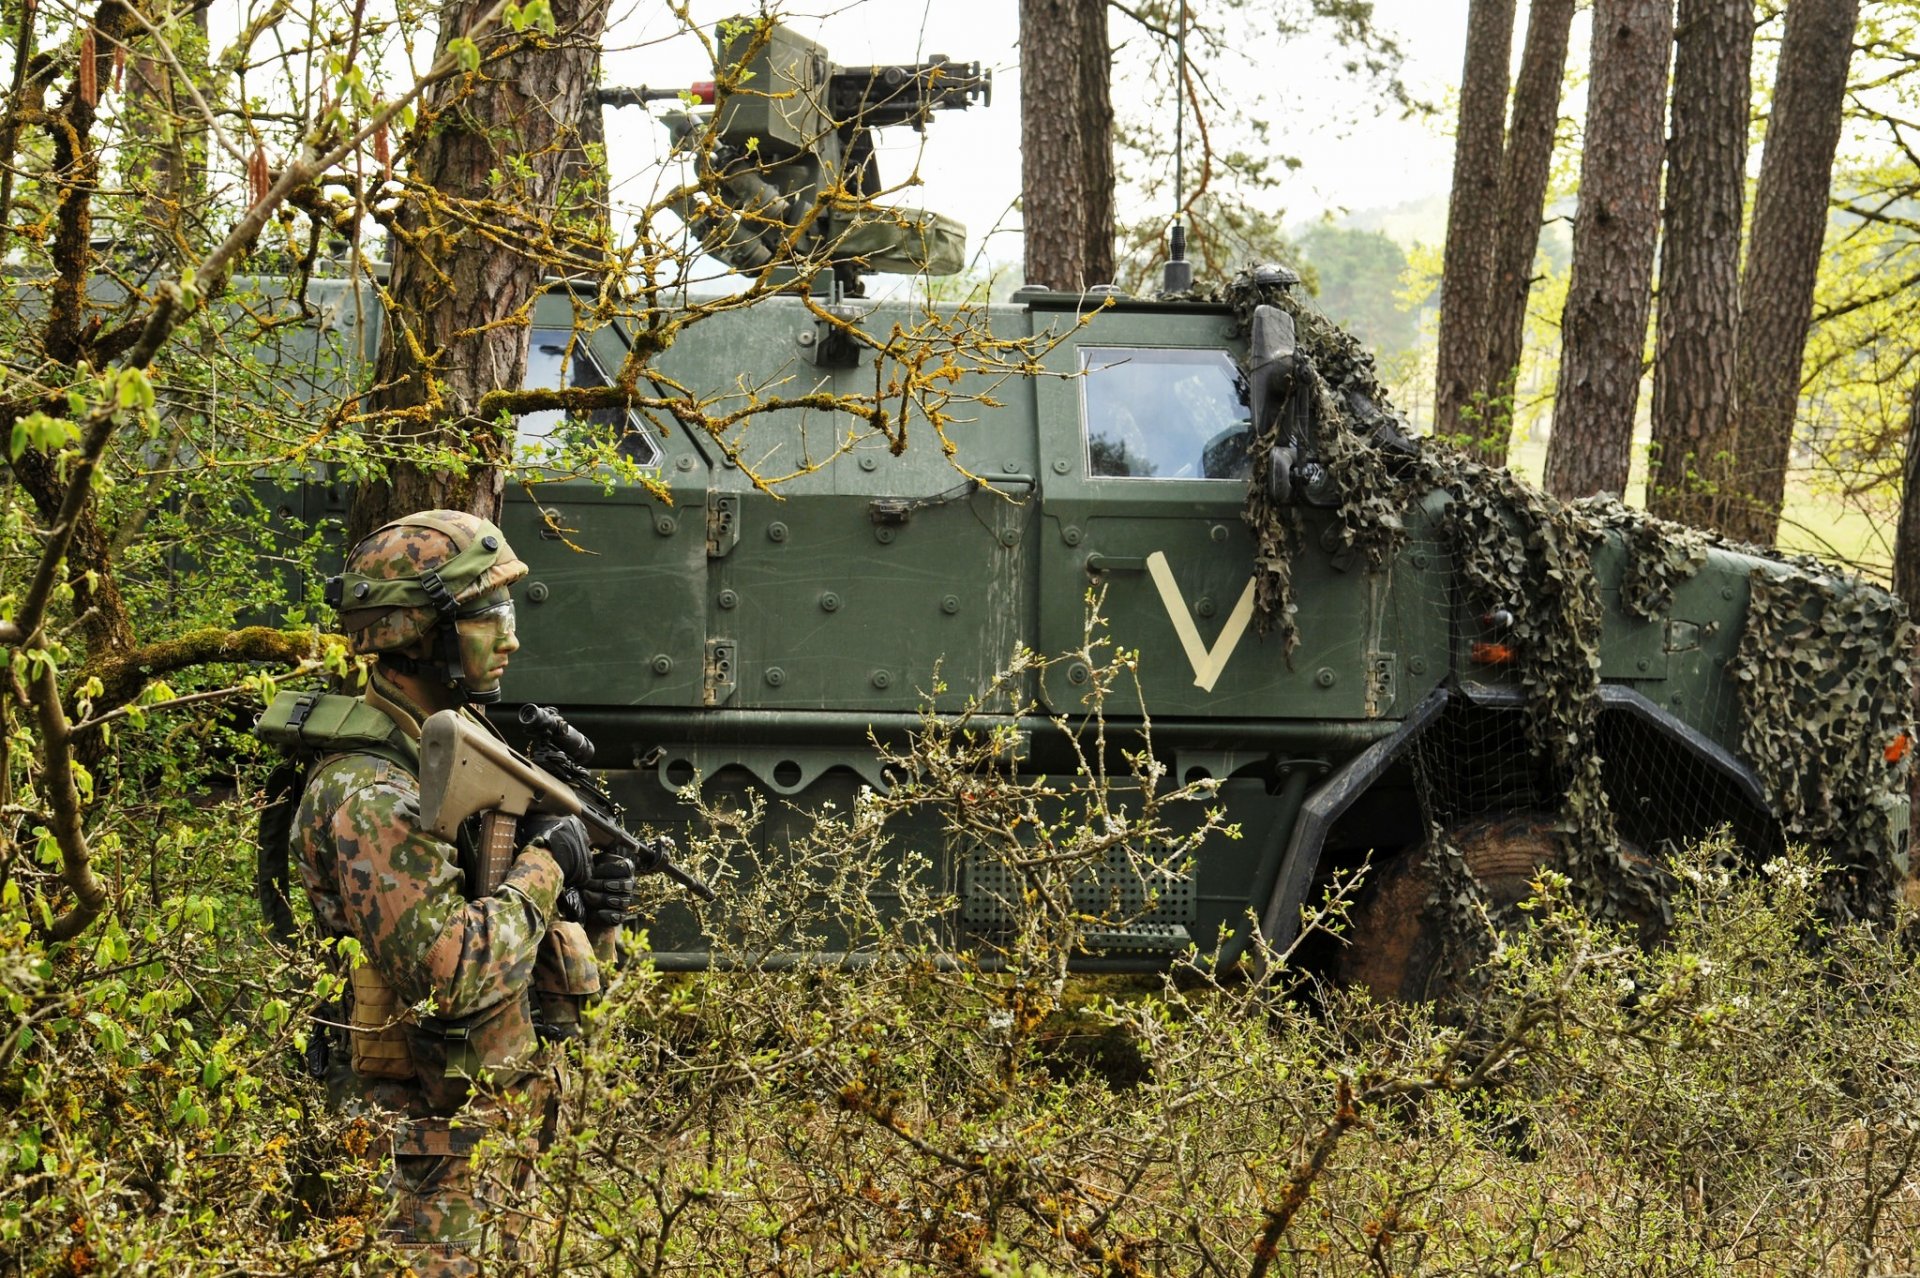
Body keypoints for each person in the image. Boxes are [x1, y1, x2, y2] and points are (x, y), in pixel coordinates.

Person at [290, 510, 635, 1275]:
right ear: (418, 632)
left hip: (480, 1146)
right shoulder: (373, 791)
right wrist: (548, 866)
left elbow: (522, 965)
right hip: (412, 1167)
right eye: (489, 617)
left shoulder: (454, 759)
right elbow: (452, 975)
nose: (510, 637)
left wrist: (591, 915)